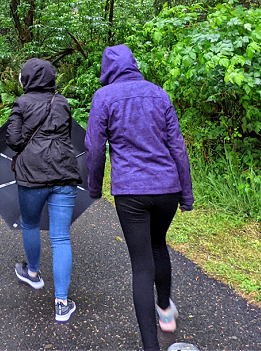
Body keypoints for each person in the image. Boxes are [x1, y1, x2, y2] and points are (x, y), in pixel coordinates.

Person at [85, 44, 194, 351]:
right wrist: (186, 194)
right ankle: (165, 311)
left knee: (141, 265)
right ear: (133, 64)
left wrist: (95, 187)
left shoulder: (104, 97)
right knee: (159, 243)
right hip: (166, 189)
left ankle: (151, 347)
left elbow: (95, 149)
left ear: (108, 69)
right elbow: (178, 148)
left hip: (131, 191)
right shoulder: (159, 94)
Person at [6, 58, 84, 323]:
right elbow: (68, 135)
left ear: (26, 79)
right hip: (64, 171)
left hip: (32, 175)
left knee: (29, 224)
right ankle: (62, 304)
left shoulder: (21, 103)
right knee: (61, 237)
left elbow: (14, 141)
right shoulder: (62, 103)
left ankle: (34, 274)